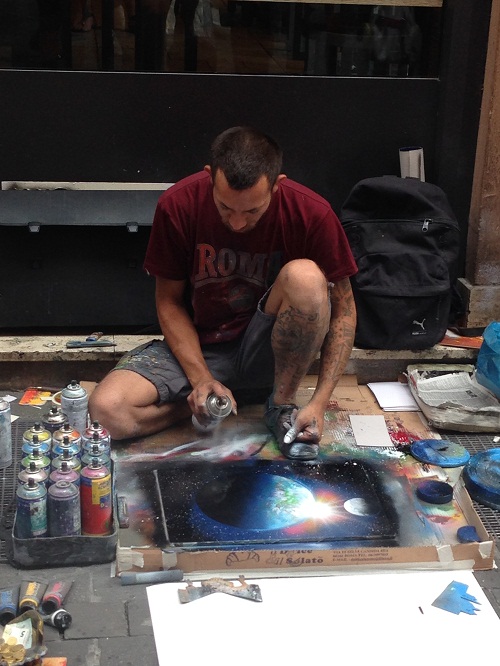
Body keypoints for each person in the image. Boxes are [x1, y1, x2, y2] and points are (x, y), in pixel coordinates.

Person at [89, 126, 358, 460]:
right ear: (209, 176)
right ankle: (217, 402)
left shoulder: (311, 213)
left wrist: (318, 401)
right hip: (201, 347)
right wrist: (200, 378)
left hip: (269, 353)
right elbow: (168, 301)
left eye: (252, 211)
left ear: (277, 185)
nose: (238, 223)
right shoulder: (178, 205)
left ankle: (280, 404)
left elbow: (344, 313)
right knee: (107, 411)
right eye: (225, 207)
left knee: (305, 277)